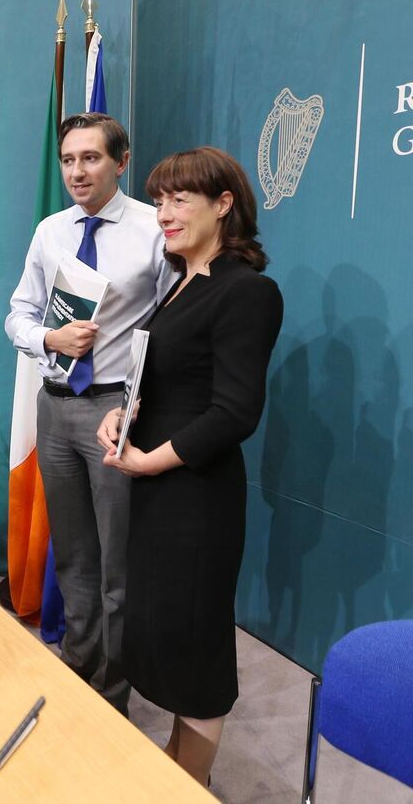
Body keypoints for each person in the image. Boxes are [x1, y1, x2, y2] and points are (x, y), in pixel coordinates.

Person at [97, 147, 283, 783]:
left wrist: (152, 463)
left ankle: (190, 785)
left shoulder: (247, 290)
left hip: (196, 499)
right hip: (159, 490)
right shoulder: (179, 284)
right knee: (168, 637)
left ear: (223, 204)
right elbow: (167, 382)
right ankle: (172, 775)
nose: (164, 214)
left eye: (180, 199)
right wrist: (123, 416)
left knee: (198, 651)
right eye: (159, 200)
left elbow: (235, 413)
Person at [5, 112, 172, 714]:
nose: (77, 171)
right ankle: (79, 680)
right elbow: (18, 314)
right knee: (74, 558)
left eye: (91, 158)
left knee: (117, 568)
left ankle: (114, 697)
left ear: (121, 162)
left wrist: (138, 405)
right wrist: (50, 341)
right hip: (55, 408)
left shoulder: (156, 229)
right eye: (69, 159)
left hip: (114, 413)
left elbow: (171, 327)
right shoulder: (51, 231)